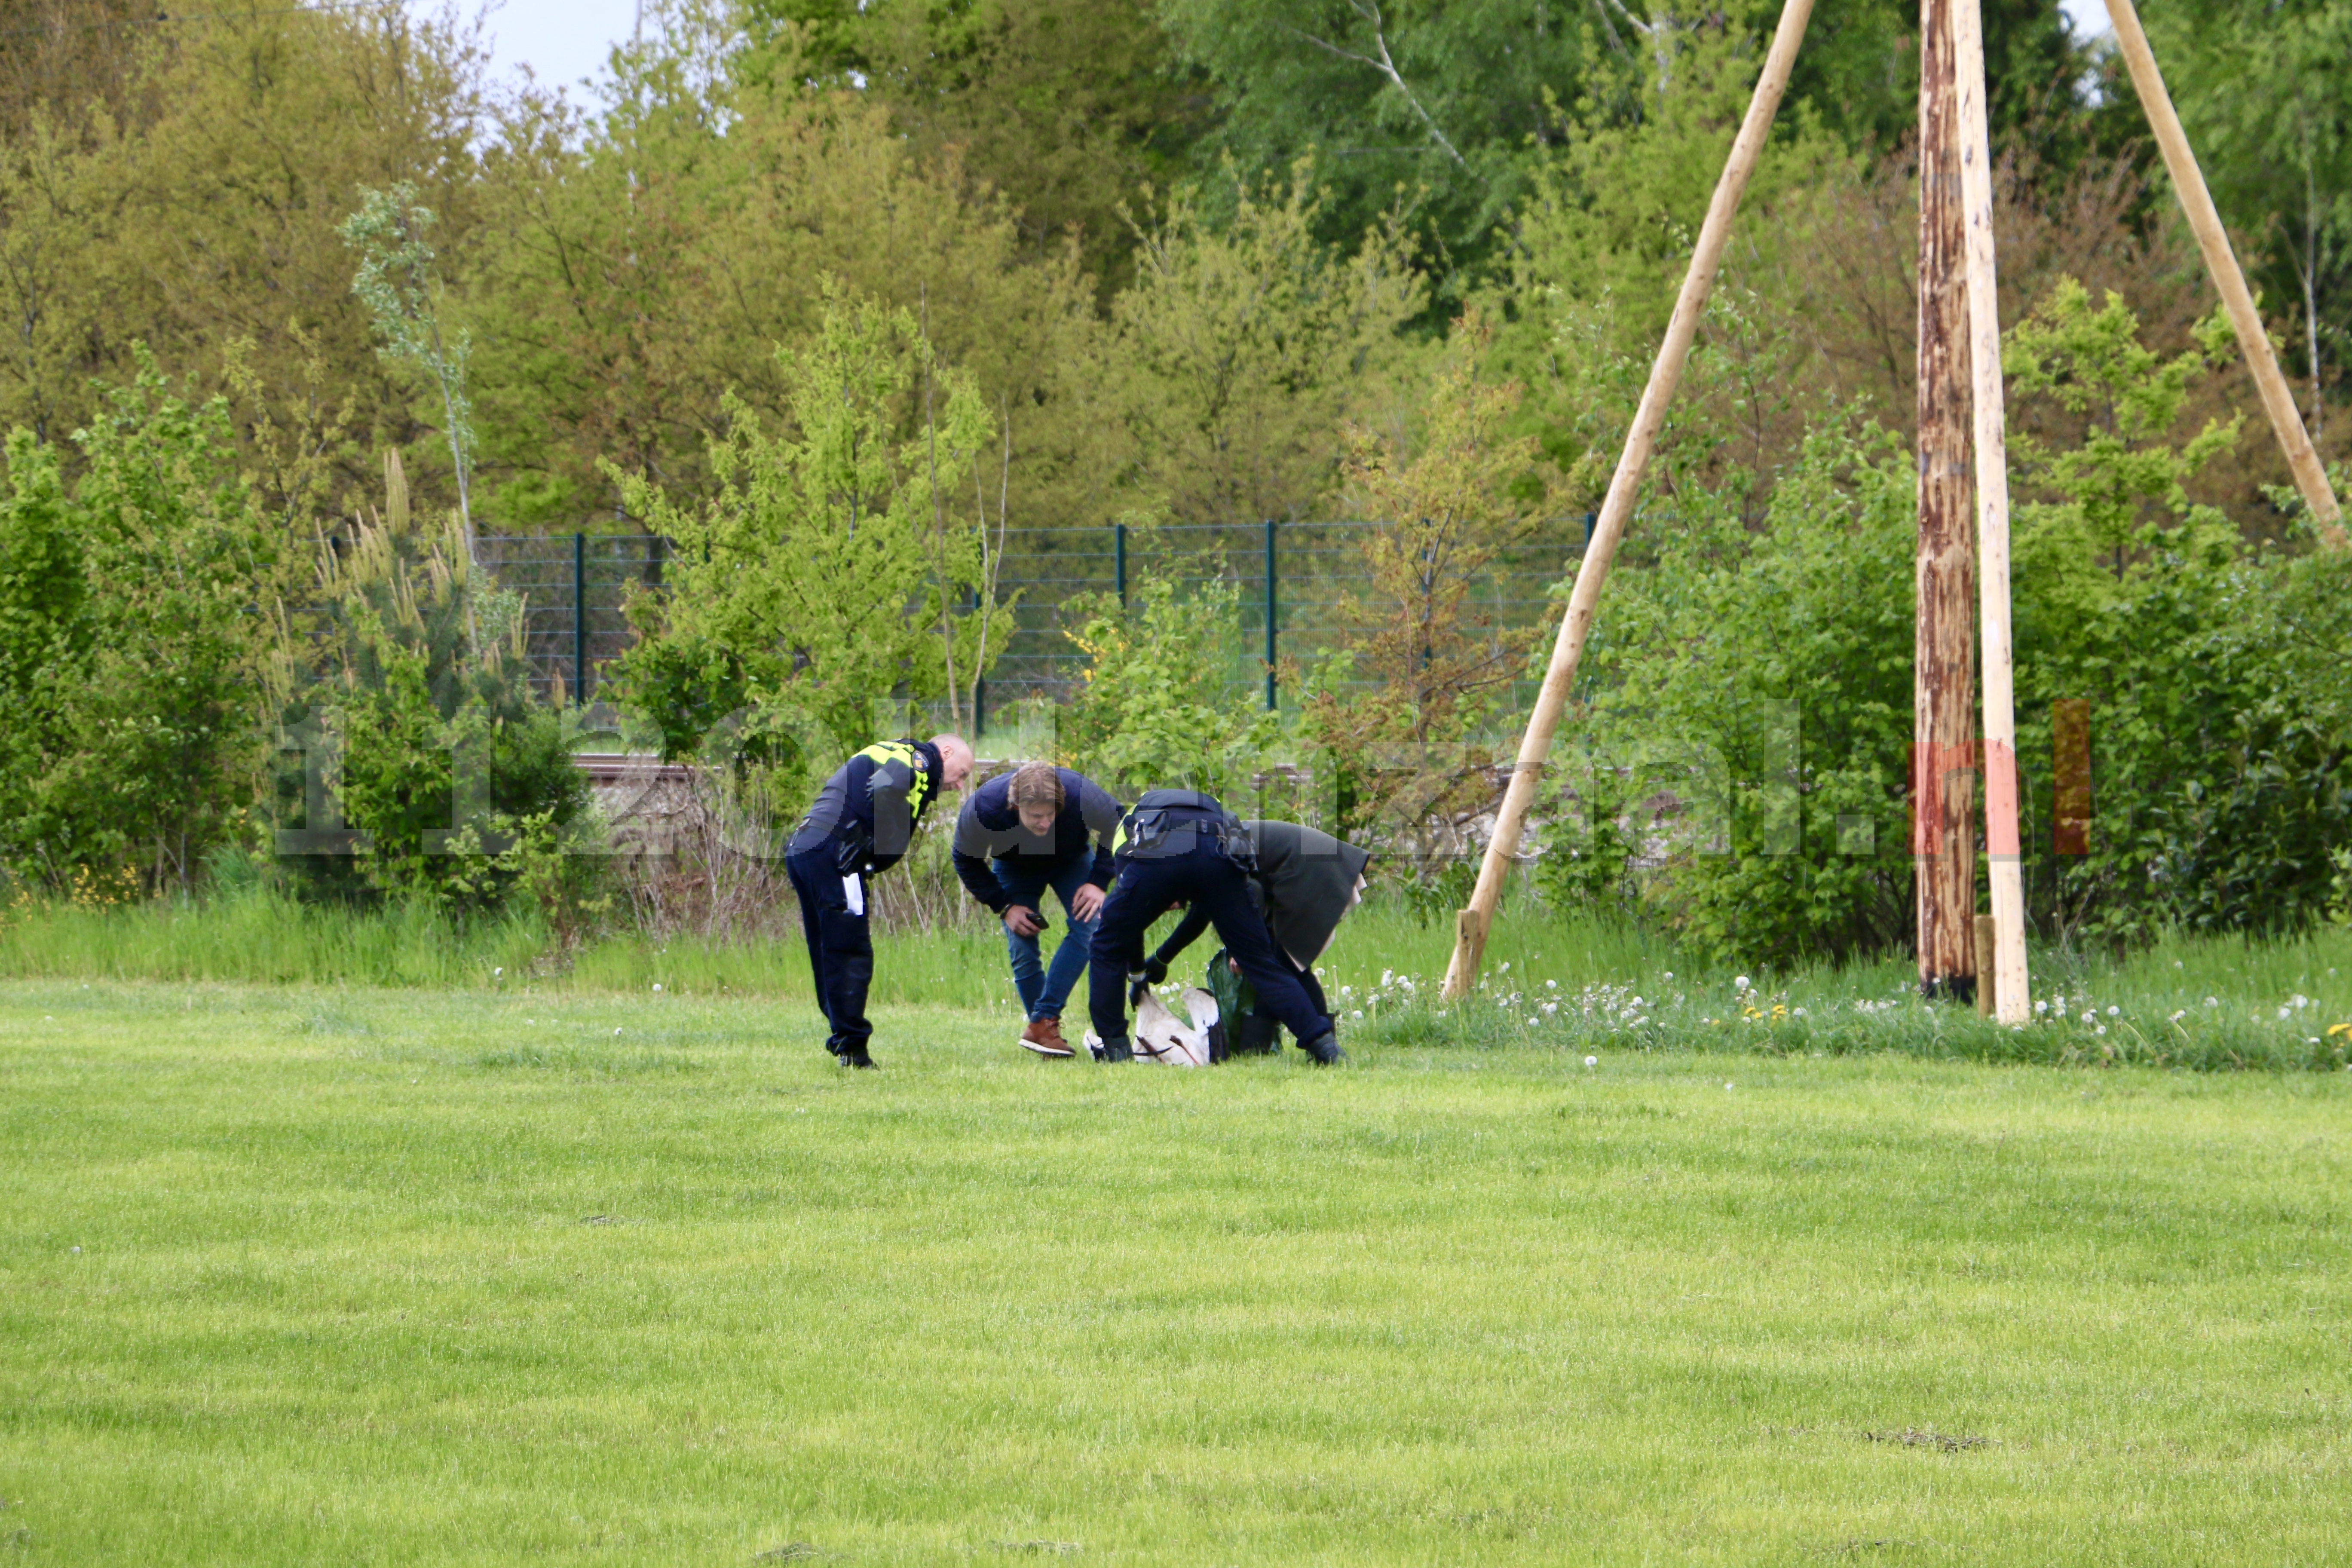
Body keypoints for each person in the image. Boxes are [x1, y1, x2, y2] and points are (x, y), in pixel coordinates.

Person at [1086, 790, 1345, 1066]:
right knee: (1261, 963)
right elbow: (1212, 900)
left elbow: (1125, 930)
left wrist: (1137, 977)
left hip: (1159, 857)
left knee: (1105, 945)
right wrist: (1157, 961)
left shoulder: (1128, 828)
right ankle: (1324, 1046)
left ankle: (1116, 1049)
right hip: (1219, 854)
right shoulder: (1212, 808)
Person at [784, 733, 974, 1068]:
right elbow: (890, 781)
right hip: (836, 855)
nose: (960, 785)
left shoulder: (893, 750)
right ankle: (854, 1049)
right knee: (850, 949)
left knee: (827, 948)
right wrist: (871, 834)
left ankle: (844, 1037)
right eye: (963, 773)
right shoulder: (923, 758)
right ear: (947, 751)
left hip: (805, 848)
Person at [1137, 819, 1372, 1055]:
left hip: (1314, 867)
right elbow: (1201, 915)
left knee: (1282, 965)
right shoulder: (1193, 860)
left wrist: (1243, 948)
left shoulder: (1195, 861)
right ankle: (1264, 1050)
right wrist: (1161, 958)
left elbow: (1251, 891)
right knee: (1281, 965)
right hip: (1311, 865)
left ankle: (1322, 1050)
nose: (1170, 909)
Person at [950, 760, 1124, 1059]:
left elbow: (1119, 823)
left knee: (1091, 926)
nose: (1045, 823)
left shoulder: (1079, 793)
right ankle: (1045, 1036)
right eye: (1035, 816)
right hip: (1015, 867)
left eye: (1051, 814)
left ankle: (1042, 1021)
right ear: (1015, 806)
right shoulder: (985, 808)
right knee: (1022, 944)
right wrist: (1004, 906)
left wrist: (1098, 880)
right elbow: (965, 859)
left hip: (1071, 860)